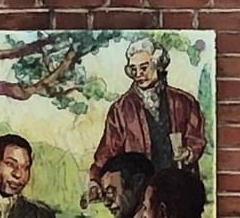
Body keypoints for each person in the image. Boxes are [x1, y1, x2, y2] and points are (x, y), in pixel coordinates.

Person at [87, 37, 208, 200]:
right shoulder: (121, 109)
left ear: (158, 65)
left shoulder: (184, 102)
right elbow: (107, 151)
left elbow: (196, 140)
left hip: (180, 189)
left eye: (144, 68)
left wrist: (188, 152)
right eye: (133, 70)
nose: (138, 74)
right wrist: (95, 179)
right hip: (139, 195)